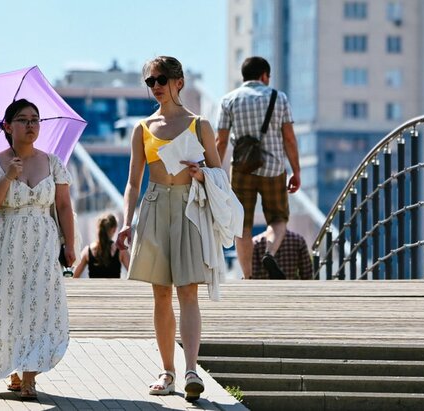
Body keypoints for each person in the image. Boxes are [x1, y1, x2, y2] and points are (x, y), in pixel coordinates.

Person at [116, 56, 223, 403]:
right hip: (154, 204)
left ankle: (191, 370)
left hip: (189, 207)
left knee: (188, 291)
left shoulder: (200, 125)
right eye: (150, 81)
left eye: (161, 79)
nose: (156, 86)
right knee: (161, 293)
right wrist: (125, 222)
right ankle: (167, 371)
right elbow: (133, 182)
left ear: (179, 82)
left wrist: (202, 174)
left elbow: (220, 174)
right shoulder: (142, 128)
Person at [0, 99, 75, 400]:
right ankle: (12, 368)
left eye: (35, 119)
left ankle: (29, 378)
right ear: (8, 127)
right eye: (23, 120)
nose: (30, 125)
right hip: (6, 242)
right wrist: (8, 176)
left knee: (38, 306)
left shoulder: (53, 162)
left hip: (43, 241)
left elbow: (64, 206)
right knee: (7, 305)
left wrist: (70, 244)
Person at [216, 56, 301, 280]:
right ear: (264, 76)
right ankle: (269, 253)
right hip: (274, 169)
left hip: (241, 169)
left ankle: (248, 277)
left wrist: (212, 172)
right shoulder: (279, 98)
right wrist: (296, 171)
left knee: (242, 225)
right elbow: (289, 138)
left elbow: (221, 142)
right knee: (278, 220)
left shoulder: (229, 100)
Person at [73, 212, 129, 278]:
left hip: (94, 285)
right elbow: (133, 274)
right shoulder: (121, 250)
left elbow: (74, 276)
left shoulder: (87, 251)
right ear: (114, 229)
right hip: (114, 285)